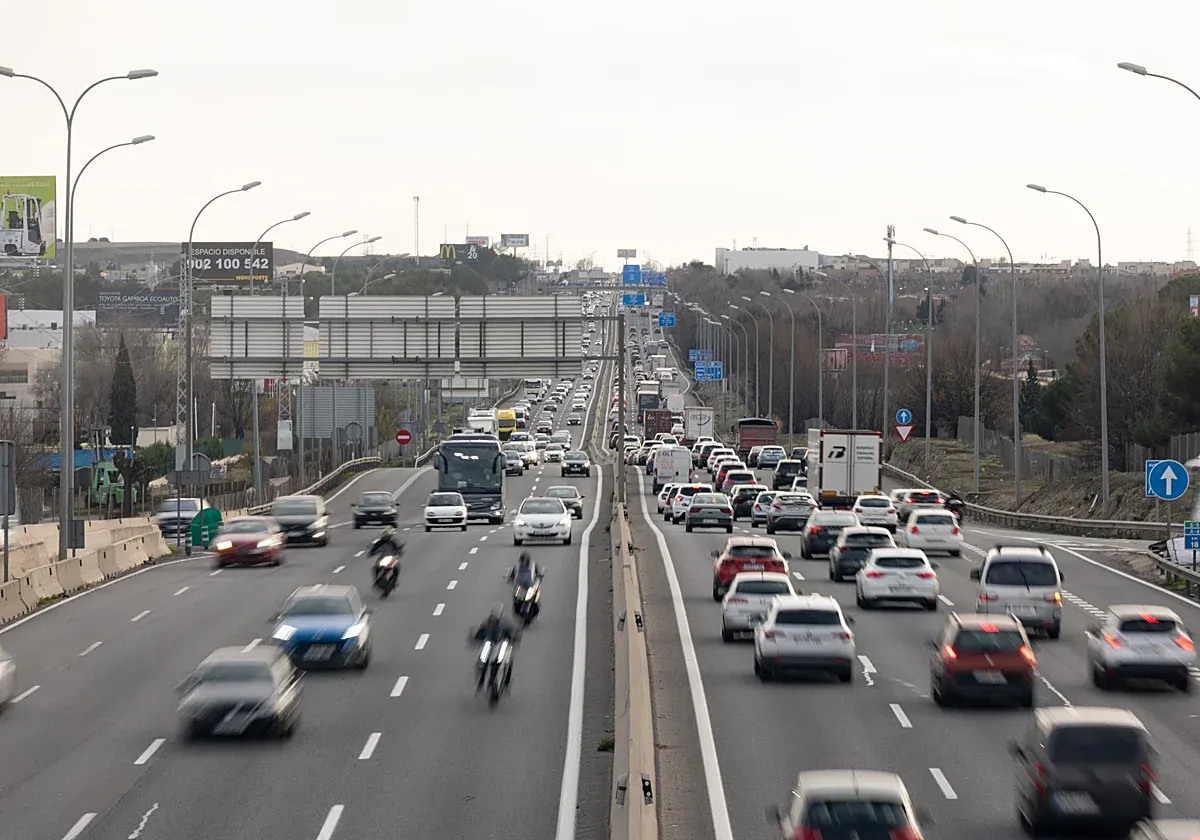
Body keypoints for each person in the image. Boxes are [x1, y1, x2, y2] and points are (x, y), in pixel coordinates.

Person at [471, 602, 520, 691]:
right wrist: (474, 639)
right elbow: (479, 633)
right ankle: (480, 679)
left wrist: (514, 638)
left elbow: (513, 633)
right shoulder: (487, 624)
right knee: (481, 661)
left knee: (509, 660)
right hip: (489, 645)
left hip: (500, 646)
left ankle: (506, 682)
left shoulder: (504, 625)